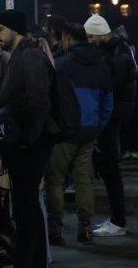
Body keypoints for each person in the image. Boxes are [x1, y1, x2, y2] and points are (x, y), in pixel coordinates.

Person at [0, 9, 54, 268]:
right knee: (29, 209)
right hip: (30, 142)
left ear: (14, 29)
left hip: (29, 144)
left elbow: (38, 100)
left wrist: (27, 139)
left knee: (25, 211)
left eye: (0, 30)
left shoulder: (28, 56)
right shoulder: (26, 54)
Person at [44, 22, 114, 246]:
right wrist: (96, 126)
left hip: (64, 133)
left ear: (66, 39)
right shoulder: (101, 66)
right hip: (89, 131)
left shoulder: (62, 65)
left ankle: (56, 229)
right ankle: (86, 227)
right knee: (83, 180)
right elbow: (108, 103)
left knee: (55, 181)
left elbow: (50, 101)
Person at [84, 14, 135, 238]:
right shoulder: (118, 51)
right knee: (109, 166)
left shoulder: (116, 55)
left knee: (110, 167)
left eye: (90, 37)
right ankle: (117, 218)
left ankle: (117, 219)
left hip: (111, 114)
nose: (89, 42)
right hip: (115, 113)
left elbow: (111, 83)